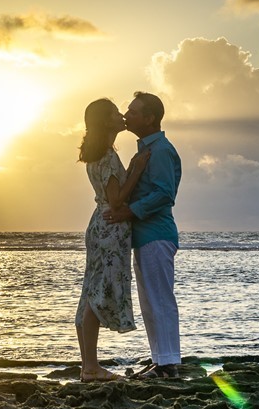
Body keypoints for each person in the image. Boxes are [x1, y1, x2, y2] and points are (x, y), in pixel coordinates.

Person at [104, 92, 182, 379]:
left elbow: (164, 194)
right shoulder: (145, 149)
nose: (127, 115)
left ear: (150, 118)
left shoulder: (159, 150)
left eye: (133, 111)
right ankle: (161, 360)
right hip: (145, 235)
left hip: (156, 234)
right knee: (150, 301)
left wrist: (128, 212)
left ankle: (168, 363)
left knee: (159, 299)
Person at [76, 98, 151, 382]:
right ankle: (92, 368)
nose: (122, 116)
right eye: (115, 113)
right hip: (110, 226)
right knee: (99, 292)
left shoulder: (96, 154)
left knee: (89, 291)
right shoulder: (106, 156)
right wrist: (136, 169)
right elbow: (116, 200)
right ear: (105, 121)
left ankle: (87, 366)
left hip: (98, 224)